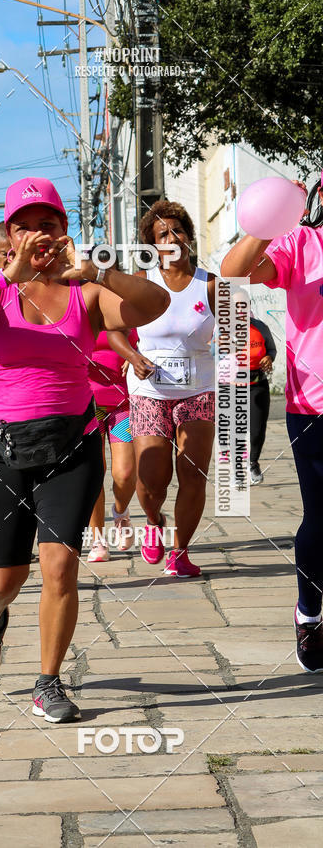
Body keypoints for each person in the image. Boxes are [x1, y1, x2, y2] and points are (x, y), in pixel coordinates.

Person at [0, 177, 169, 723]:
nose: (39, 233)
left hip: (72, 447)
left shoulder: (85, 290)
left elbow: (154, 305)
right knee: (4, 580)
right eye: (26, 225)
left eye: (49, 224)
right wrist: (4, 276)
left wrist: (100, 270)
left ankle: (48, 681)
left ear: (64, 231)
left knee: (60, 567)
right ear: (10, 235)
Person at [221, 173, 323, 674]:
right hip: (315, 408)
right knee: (321, 523)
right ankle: (309, 613)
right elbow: (234, 269)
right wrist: (270, 218)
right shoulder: (302, 242)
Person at [123, 200, 217, 578]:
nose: (172, 238)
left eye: (178, 231)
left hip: (200, 389)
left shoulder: (210, 284)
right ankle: (152, 519)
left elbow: (234, 334)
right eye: (163, 234)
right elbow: (112, 327)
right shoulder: (142, 282)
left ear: (189, 238)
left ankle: (180, 552)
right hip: (149, 391)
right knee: (151, 479)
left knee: (193, 472)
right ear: (152, 245)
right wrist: (132, 355)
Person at [86, 328, 138, 562]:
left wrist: (135, 355)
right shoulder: (81, 307)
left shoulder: (128, 310)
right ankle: (97, 539)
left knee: (125, 473)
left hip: (122, 404)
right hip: (88, 405)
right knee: (93, 471)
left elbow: (149, 342)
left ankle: (121, 513)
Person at [248, 311, 276, 484]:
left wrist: (268, 357)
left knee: (257, 429)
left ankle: (253, 463)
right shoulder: (223, 328)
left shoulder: (260, 327)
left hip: (257, 384)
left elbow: (272, 349)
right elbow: (213, 352)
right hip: (230, 386)